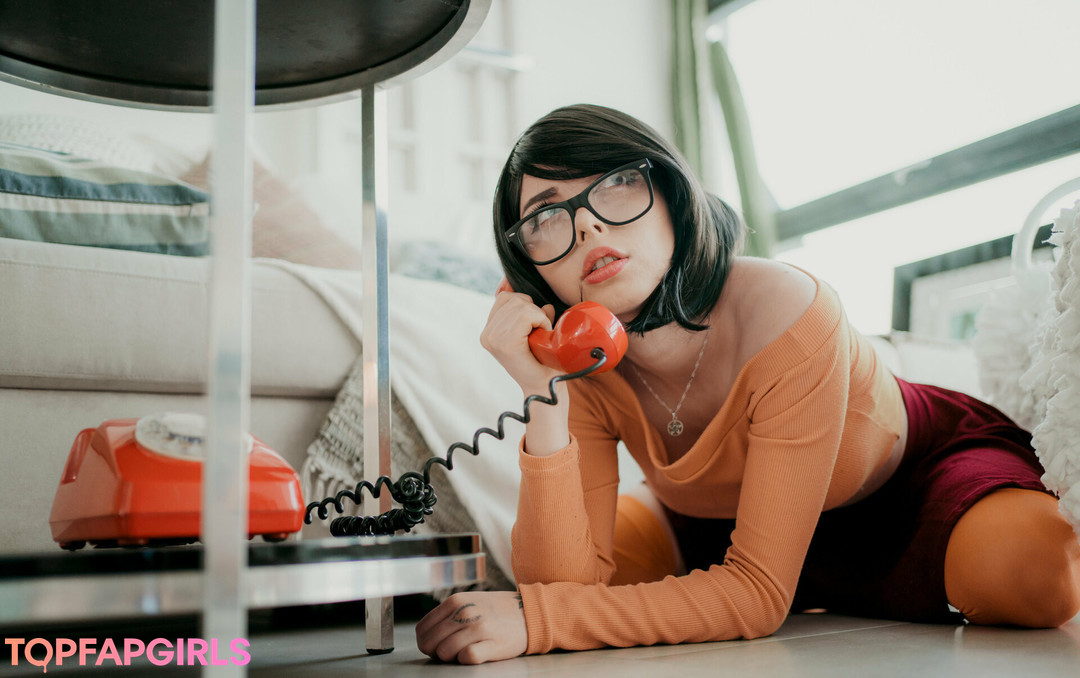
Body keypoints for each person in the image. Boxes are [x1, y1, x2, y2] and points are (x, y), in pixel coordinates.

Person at [414, 104, 1080, 665]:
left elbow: (751, 596)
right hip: (716, 523)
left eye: (615, 182)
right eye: (544, 217)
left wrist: (543, 621)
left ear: (672, 194)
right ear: (527, 272)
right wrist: (544, 392)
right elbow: (560, 589)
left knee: (1037, 575)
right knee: (607, 573)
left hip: (905, 488)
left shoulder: (787, 307)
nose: (585, 224)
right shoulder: (584, 362)